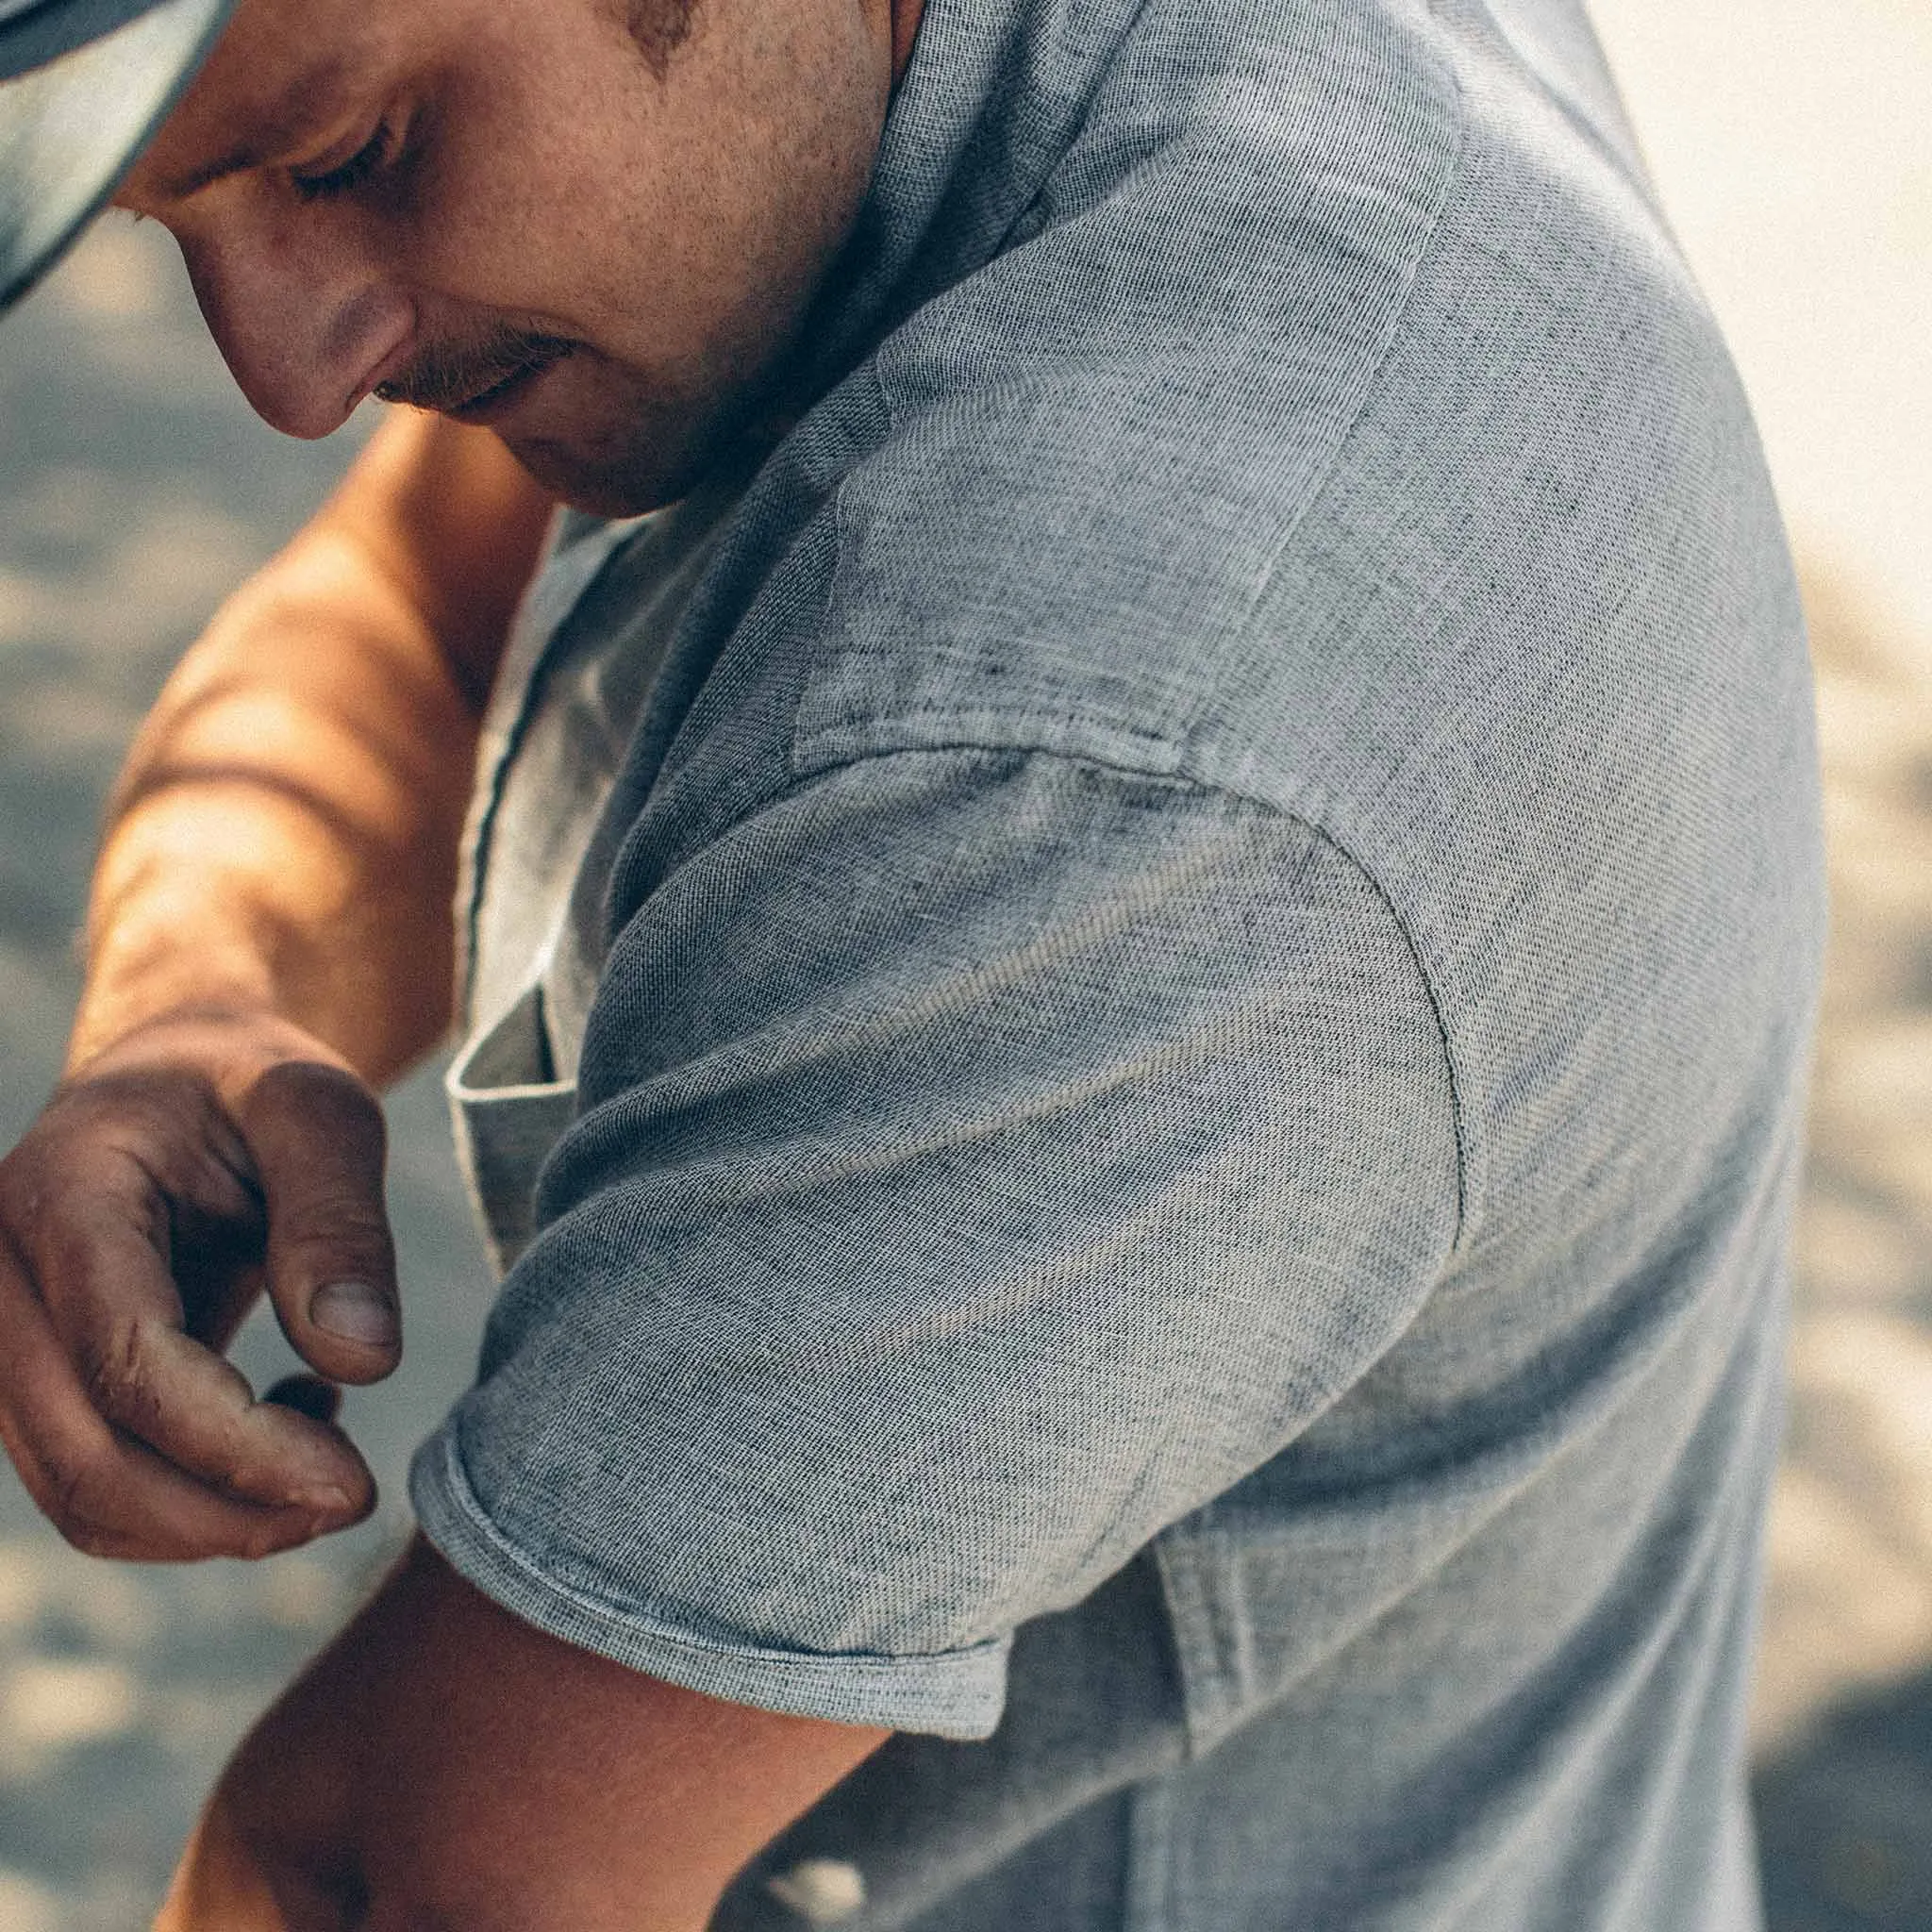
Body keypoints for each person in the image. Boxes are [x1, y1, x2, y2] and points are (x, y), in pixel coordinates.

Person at [0, 0, 1824, 1924]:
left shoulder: (1110, 751)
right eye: (168, 218)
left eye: (351, 157)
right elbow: (411, 609)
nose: (289, 372)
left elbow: (380, 1883)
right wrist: (203, 1003)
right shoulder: (773, 147)